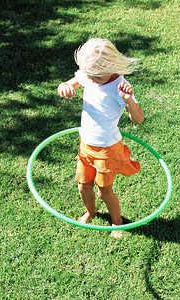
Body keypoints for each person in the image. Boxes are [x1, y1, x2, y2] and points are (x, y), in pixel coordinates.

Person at [57, 38, 144, 238]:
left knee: (104, 191)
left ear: (109, 67)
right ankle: (91, 211)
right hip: (86, 144)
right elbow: (72, 82)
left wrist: (128, 100)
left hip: (107, 149)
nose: (90, 80)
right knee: (83, 186)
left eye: (95, 76)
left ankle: (117, 221)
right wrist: (65, 87)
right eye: (88, 75)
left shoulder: (119, 86)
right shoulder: (90, 74)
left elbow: (138, 119)